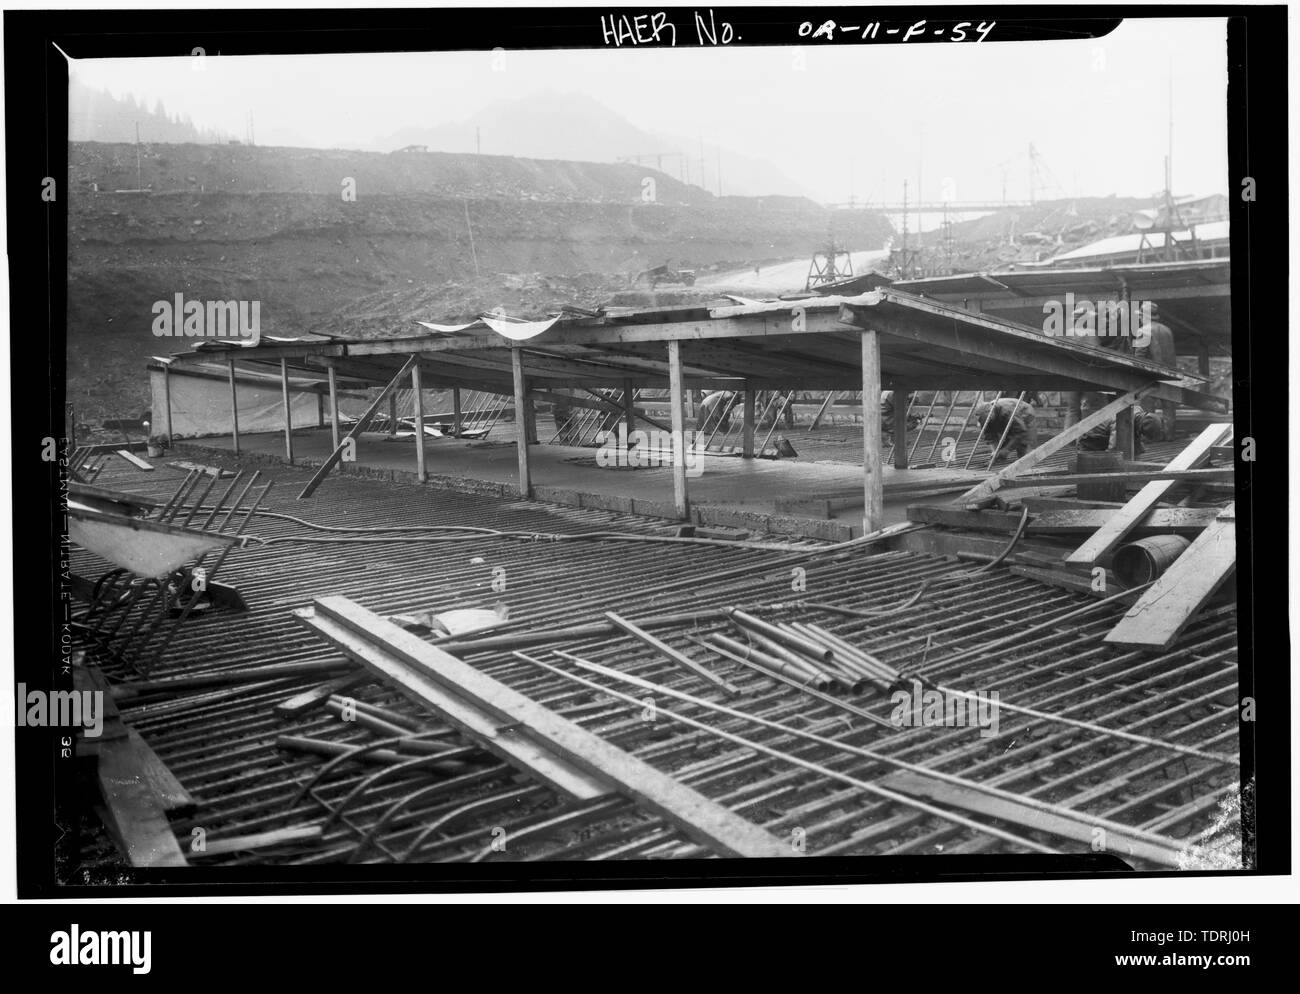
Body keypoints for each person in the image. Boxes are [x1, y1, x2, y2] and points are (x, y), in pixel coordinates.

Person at [969, 396, 1038, 462]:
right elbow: (990, 436)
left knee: (1025, 447)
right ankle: (1002, 455)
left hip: (1025, 413)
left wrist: (1006, 450)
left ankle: (1030, 464)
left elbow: (1020, 432)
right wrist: (995, 452)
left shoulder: (1006, 412)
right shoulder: (984, 417)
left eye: (988, 419)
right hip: (1006, 418)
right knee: (1001, 450)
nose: (986, 421)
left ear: (991, 412)